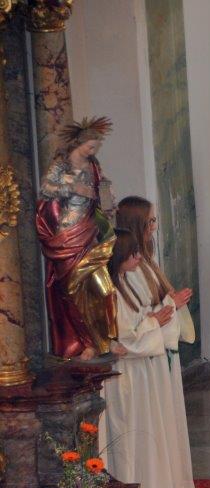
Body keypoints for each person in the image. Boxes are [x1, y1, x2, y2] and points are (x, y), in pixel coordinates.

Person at [100, 228, 183, 488]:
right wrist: (155, 321)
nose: (138, 258)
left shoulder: (124, 284)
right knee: (128, 445)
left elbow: (134, 329)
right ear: (118, 256)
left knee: (140, 441)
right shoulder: (111, 291)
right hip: (124, 379)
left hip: (137, 375)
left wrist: (156, 318)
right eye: (133, 253)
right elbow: (122, 341)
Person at [116, 197, 195, 488]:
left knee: (161, 428)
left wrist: (171, 304)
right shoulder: (128, 273)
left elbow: (151, 309)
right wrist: (168, 307)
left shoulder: (143, 263)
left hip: (154, 357)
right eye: (150, 221)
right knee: (146, 434)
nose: (154, 227)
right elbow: (134, 324)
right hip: (141, 365)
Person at [35, 117, 118, 359]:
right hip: (67, 235)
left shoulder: (93, 165)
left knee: (106, 291)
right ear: (79, 143)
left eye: (95, 147)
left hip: (91, 233)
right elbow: (46, 189)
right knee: (73, 292)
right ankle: (87, 343)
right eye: (90, 147)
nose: (93, 151)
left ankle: (109, 338)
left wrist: (107, 199)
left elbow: (102, 187)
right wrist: (72, 188)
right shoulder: (61, 165)